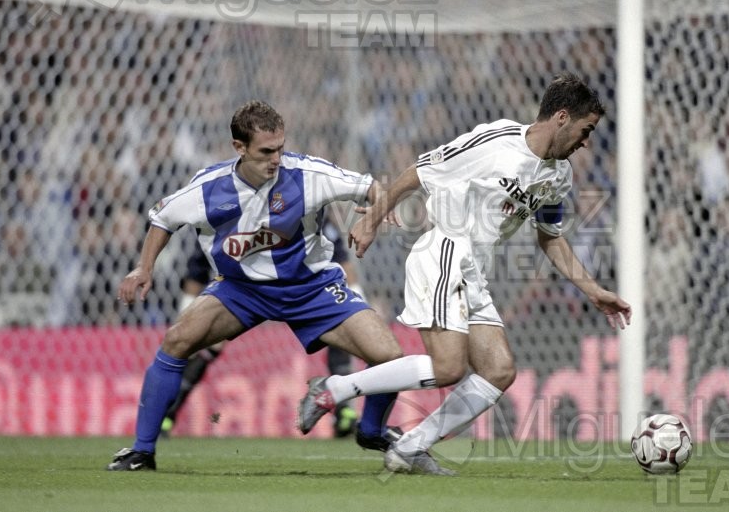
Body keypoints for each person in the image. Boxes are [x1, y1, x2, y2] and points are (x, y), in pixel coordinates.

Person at [297, 73, 632, 475]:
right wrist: (373, 220)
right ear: (562, 117)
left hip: (475, 271)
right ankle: (332, 390)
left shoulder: (559, 176)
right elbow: (420, 171)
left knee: (499, 371)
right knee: (449, 368)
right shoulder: (497, 140)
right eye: (585, 130)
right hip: (445, 250)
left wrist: (592, 290)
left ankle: (409, 448)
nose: (586, 142)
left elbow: (551, 238)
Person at [107, 100, 414, 471]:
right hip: (241, 291)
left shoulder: (307, 174)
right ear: (240, 148)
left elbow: (371, 188)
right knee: (176, 341)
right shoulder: (208, 188)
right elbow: (163, 218)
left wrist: (371, 221)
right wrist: (143, 268)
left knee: (389, 356)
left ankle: (371, 430)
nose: (276, 159)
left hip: (311, 287)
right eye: (266, 151)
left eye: (280, 148)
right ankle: (142, 451)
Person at [160, 220, 363, 440]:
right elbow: (197, 272)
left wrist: (356, 303)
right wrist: (186, 320)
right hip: (247, 293)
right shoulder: (226, 220)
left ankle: (344, 411)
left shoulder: (312, 216)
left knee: (339, 328)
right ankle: (166, 415)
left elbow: (344, 264)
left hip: (301, 293)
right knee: (206, 343)